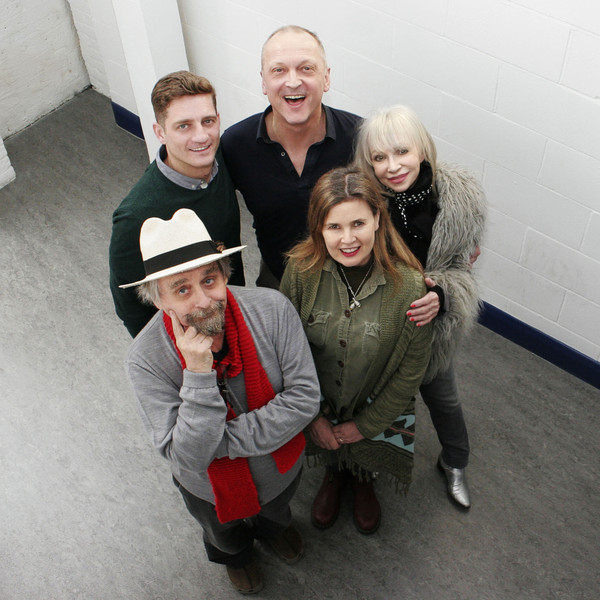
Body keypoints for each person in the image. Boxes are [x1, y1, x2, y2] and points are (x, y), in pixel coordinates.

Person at [122, 208, 320, 594]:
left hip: (279, 470)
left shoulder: (273, 309)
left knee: (278, 513)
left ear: (225, 274)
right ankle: (238, 558)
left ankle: (273, 532)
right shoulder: (144, 359)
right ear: (159, 300)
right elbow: (188, 459)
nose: (203, 300)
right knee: (222, 532)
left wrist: (222, 444)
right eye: (182, 289)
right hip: (208, 490)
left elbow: (304, 399)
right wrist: (197, 376)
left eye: (209, 279)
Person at [280, 167, 433, 535]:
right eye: (334, 227)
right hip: (318, 400)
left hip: (375, 404)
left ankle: (364, 475)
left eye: (358, 224)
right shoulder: (301, 272)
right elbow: (280, 349)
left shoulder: (410, 286)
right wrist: (313, 417)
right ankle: (334, 473)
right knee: (332, 449)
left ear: (378, 219)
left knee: (362, 448)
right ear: (318, 227)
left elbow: (411, 370)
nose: (347, 239)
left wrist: (364, 427)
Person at [353, 105, 487, 509]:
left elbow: (461, 269)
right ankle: (376, 459)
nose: (392, 166)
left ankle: (455, 462)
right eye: (379, 157)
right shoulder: (364, 203)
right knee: (383, 401)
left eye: (402, 152)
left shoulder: (457, 199)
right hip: (383, 330)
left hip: (433, 334)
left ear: (422, 149)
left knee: (444, 401)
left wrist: (442, 295)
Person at [221, 25, 361, 288]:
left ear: (326, 78)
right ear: (264, 81)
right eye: (279, 70)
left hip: (353, 284)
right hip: (279, 281)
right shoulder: (236, 144)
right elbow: (209, 208)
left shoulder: (361, 137)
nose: (293, 81)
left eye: (307, 68)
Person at [109, 71, 245, 338]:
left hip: (230, 308)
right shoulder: (135, 215)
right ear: (160, 132)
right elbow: (129, 305)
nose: (201, 137)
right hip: (189, 332)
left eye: (207, 121)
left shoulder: (220, 158)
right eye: (184, 126)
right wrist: (170, 353)